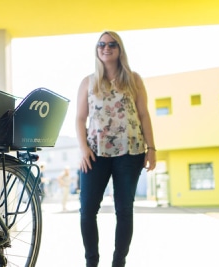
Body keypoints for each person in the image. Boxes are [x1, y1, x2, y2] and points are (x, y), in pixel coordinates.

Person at [75, 31, 156, 267]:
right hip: (95, 154)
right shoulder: (88, 82)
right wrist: (83, 149)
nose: (106, 47)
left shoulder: (134, 79)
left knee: (124, 209)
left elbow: (143, 115)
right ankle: (92, 262)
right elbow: (80, 119)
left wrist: (152, 148)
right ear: (97, 49)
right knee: (87, 210)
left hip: (130, 152)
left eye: (112, 44)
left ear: (120, 49)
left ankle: (118, 262)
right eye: (101, 44)